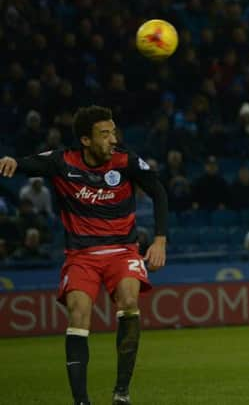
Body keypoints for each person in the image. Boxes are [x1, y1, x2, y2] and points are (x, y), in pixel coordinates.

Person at [0, 105, 168, 405]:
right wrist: (12, 160)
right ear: (86, 140)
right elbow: (25, 164)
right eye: (104, 134)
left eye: (113, 132)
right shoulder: (62, 162)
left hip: (122, 250)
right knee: (78, 313)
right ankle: (81, 402)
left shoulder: (126, 161)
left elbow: (158, 191)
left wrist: (159, 241)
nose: (112, 139)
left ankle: (121, 392)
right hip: (81, 255)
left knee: (129, 300)